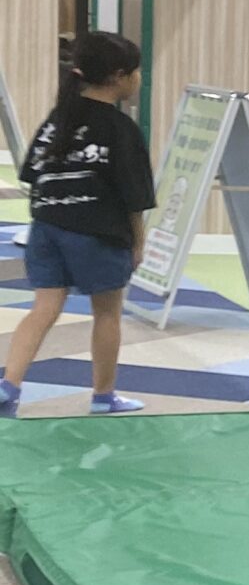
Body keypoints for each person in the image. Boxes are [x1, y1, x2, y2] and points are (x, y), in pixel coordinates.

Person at [2, 32, 154, 419]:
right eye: (136, 72)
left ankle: (9, 385)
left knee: (43, 308)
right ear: (119, 76)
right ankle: (104, 396)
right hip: (97, 232)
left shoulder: (58, 119)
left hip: (45, 228)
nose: (139, 79)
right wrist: (137, 242)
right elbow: (135, 196)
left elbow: (31, 173)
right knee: (107, 312)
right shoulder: (120, 128)